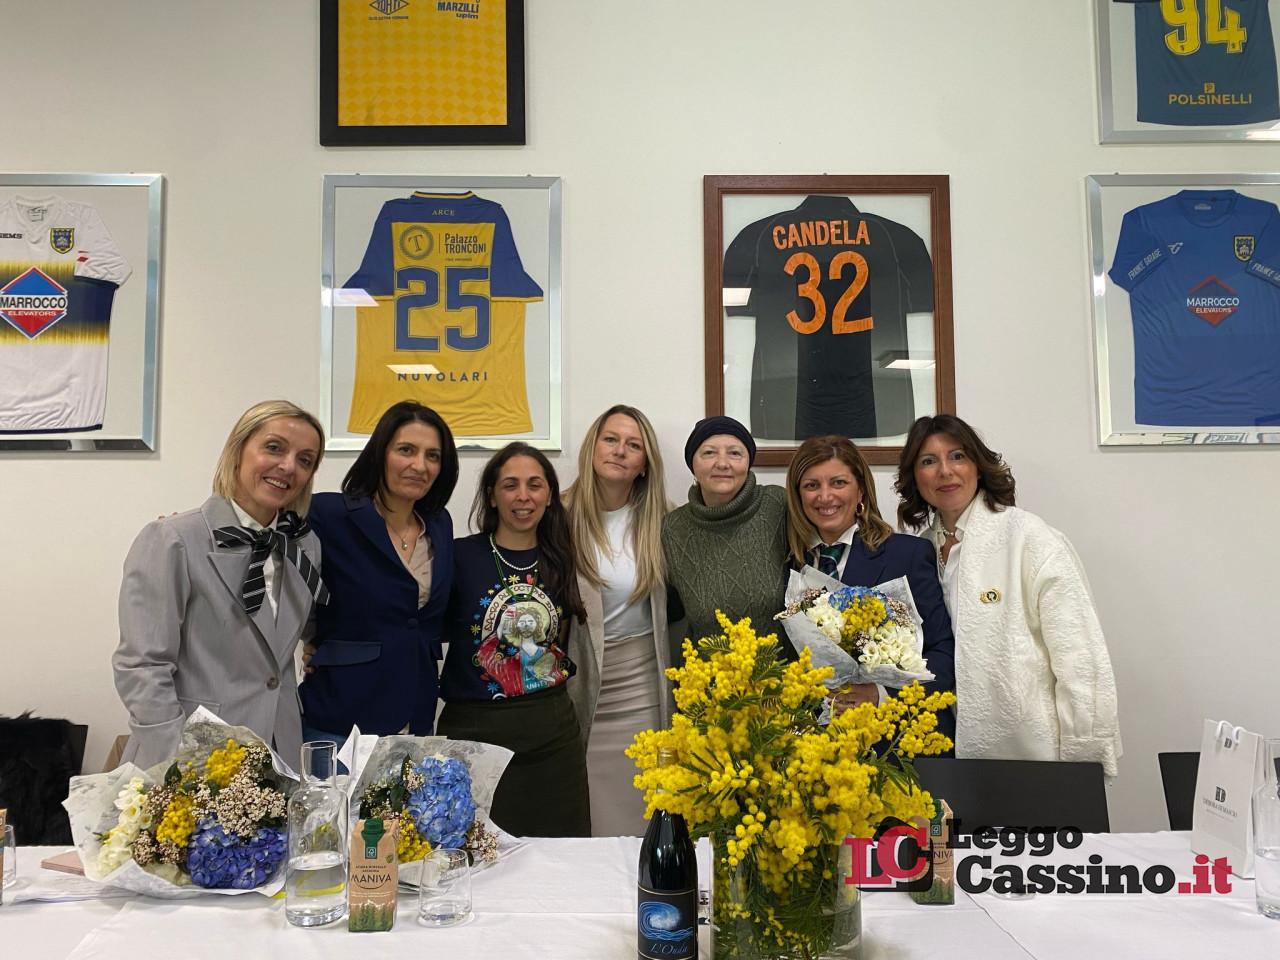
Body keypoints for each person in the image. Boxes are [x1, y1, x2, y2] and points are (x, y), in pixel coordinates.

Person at [894, 414, 1122, 777]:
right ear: (914, 476)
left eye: (957, 456)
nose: (945, 471)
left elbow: (1080, 656)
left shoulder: (1028, 537)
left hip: (1032, 755)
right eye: (928, 461)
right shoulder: (917, 552)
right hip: (945, 756)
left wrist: (1084, 758)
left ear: (978, 465)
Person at [113, 400, 327, 769]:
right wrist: (180, 764)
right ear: (238, 450)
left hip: (281, 755)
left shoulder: (305, 547)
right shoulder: (173, 539)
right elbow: (142, 666)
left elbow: (295, 638)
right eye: (274, 448)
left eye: (305, 460)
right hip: (193, 760)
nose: (289, 466)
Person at [438, 442, 591, 836]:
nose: (523, 496)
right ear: (492, 496)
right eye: (510, 485)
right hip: (473, 735)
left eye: (534, 485)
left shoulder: (564, 559)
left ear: (550, 496)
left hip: (552, 737)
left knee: (560, 857)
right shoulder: (457, 556)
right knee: (474, 855)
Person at [299, 401, 457, 745]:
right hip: (342, 719)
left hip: (416, 715)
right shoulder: (328, 514)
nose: (420, 465)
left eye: (432, 455)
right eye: (406, 450)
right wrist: (309, 639)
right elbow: (277, 571)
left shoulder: (439, 524)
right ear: (380, 453)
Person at [783, 435, 956, 744]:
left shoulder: (907, 554)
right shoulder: (790, 566)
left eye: (838, 483)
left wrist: (881, 694)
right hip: (819, 749)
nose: (825, 496)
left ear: (860, 489)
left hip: (901, 743)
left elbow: (944, 654)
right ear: (798, 496)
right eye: (811, 485)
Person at [563, 405, 673, 836]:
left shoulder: (664, 520)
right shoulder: (557, 514)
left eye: (633, 445)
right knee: (583, 812)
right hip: (579, 681)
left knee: (643, 811)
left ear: (645, 463)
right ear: (593, 446)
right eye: (611, 439)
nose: (620, 451)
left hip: (643, 685)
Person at [662, 415, 788, 650]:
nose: (722, 463)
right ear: (692, 464)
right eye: (709, 453)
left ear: (748, 462)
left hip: (787, 670)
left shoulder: (778, 505)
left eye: (735, 453)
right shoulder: (673, 528)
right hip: (707, 671)